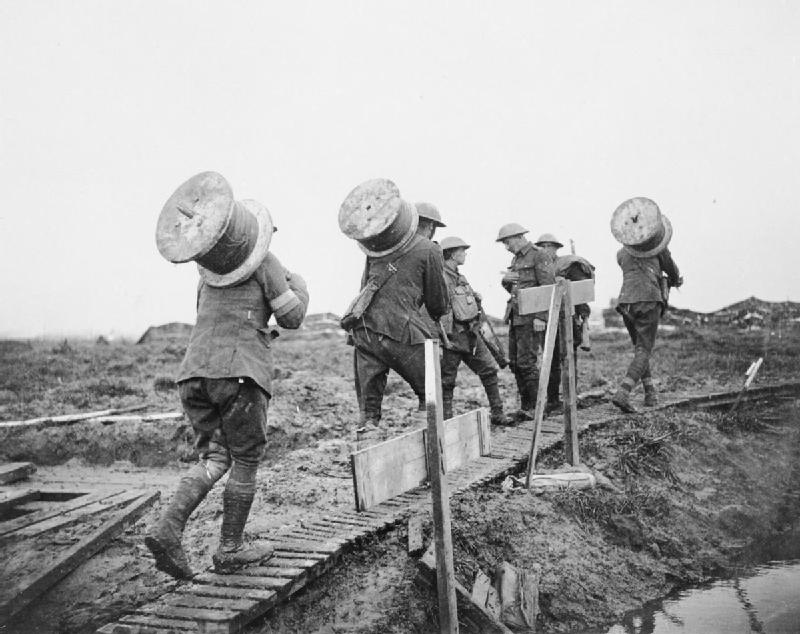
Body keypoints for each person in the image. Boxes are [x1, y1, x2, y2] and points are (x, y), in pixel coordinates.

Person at [148, 172, 309, 579]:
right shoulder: (267, 265)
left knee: (216, 456)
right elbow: (292, 317)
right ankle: (231, 548)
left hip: (193, 376)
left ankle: (168, 527)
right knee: (246, 459)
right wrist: (300, 287)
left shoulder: (206, 276)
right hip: (239, 376)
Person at [340, 180, 449, 439]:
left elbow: (365, 289)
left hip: (365, 333)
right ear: (431, 226)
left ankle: (368, 449)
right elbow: (438, 303)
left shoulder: (375, 249)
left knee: (369, 410)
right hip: (402, 332)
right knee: (430, 393)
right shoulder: (430, 249)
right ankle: (426, 450)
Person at [610, 198, 682, 413]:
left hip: (626, 303)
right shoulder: (660, 250)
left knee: (639, 348)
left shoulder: (621, 254)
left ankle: (650, 393)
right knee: (644, 349)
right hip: (648, 300)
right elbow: (672, 271)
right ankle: (624, 392)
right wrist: (676, 279)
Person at [439, 236, 511, 426]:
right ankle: (447, 422)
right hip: (452, 338)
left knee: (489, 370)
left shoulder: (460, 277)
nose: (465, 254)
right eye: (462, 251)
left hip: (470, 334)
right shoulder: (441, 278)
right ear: (453, 254)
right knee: (446, 381)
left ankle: (498, 413)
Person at [496, 223, 556, 421]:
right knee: (515, 363)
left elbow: (548, 288)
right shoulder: (516, 259)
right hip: (516, 316)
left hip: (531, 318)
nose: (506, 246)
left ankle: (539, 406)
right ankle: (527, 406)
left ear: (519, 237)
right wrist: (506, 281)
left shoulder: (539, 255)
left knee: (527, 362)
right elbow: (516, 288)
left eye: (507, 242)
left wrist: (541, 316)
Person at [533, 233, 595, 415]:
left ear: (556, 248)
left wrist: (583, 316)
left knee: (569, 359)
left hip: (569, 320)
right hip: (551, 321)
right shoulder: (543, 268)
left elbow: (581, 293)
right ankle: (552, 400)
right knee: (550, 361)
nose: (545, 250)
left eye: (548, 246)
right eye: (541, 247)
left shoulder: (569, 266)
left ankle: (571, 398)